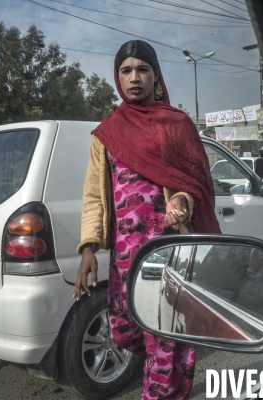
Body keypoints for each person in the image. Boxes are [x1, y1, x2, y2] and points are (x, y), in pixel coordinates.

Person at [73, 40, 221, 399]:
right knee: (125, 330)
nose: (134, 77)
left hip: (169, 250)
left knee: (165, 336)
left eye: (142, 69)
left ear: (156, 75)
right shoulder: (106, 132)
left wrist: (183, 202)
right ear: (117, 77)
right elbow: (94, 194)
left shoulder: (176, 124)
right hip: (126, 257)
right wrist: (88, 248)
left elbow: (196, 183)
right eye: (126, 70)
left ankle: (161, 391)